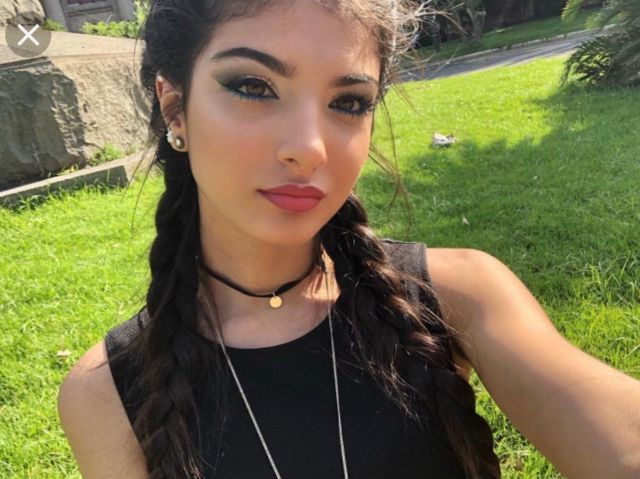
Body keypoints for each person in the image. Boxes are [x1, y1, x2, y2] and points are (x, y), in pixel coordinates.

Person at [56, 0, 640, 478]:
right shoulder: (107, 393)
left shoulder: (456, 296)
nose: (309, 148)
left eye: (348, 103)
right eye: (254, 86)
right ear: (175, 107)